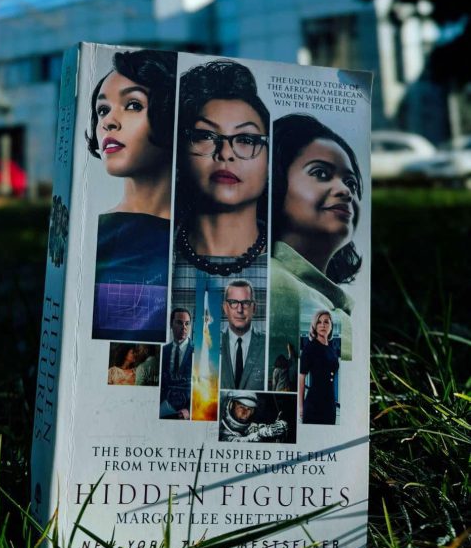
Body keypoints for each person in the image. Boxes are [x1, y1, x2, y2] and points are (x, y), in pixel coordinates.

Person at [89, 49, 177, 342]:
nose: (108, 122)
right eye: (102, 110)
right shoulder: (97, 237)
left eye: (133, 105)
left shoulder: (209, 233)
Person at [269, 114, 364, 360]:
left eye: (351, 183)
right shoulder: (277, 286)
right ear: (274, 183)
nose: (345, 191)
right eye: (321, 173)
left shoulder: (311, 292)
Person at [173, 60, 270, 277]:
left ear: (270, 163)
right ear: (180, 154)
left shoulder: (288, 264)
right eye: (206, 136)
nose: (225, 153)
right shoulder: (152, 253)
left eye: (246, 139)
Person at [219, 279, 265, 390]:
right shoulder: (211, 343)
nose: (239, 309)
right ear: (225, 308)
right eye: (233, 302)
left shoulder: (267, 344)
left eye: (245, 303)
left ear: (254, 308)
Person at [299, 310, 339, 424]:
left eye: (326, 322)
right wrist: (301, 407)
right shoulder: (309, 348)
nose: (322, 325)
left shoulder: (332, 348)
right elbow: (301, 378)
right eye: (319, 322)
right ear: (314, 326)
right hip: (314, 404)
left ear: (331, 326)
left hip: (330, 403)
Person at [159, 309, 193, 419]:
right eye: (179, 322)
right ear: (171, 324)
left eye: (187, 323)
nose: (184, 327)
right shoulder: (163, 351)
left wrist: (189, 410)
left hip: (185, 414)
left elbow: (206, 388)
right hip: (162, 411)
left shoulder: (198, 352)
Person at [219, 391, 289, 442]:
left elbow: (261, 428)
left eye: (249, 409)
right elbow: (236, 442)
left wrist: (278, 426)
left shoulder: (249, 427)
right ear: (231, 406)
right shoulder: (220, 427)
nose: (245, 412)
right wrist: (260, 434)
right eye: (241, 407)